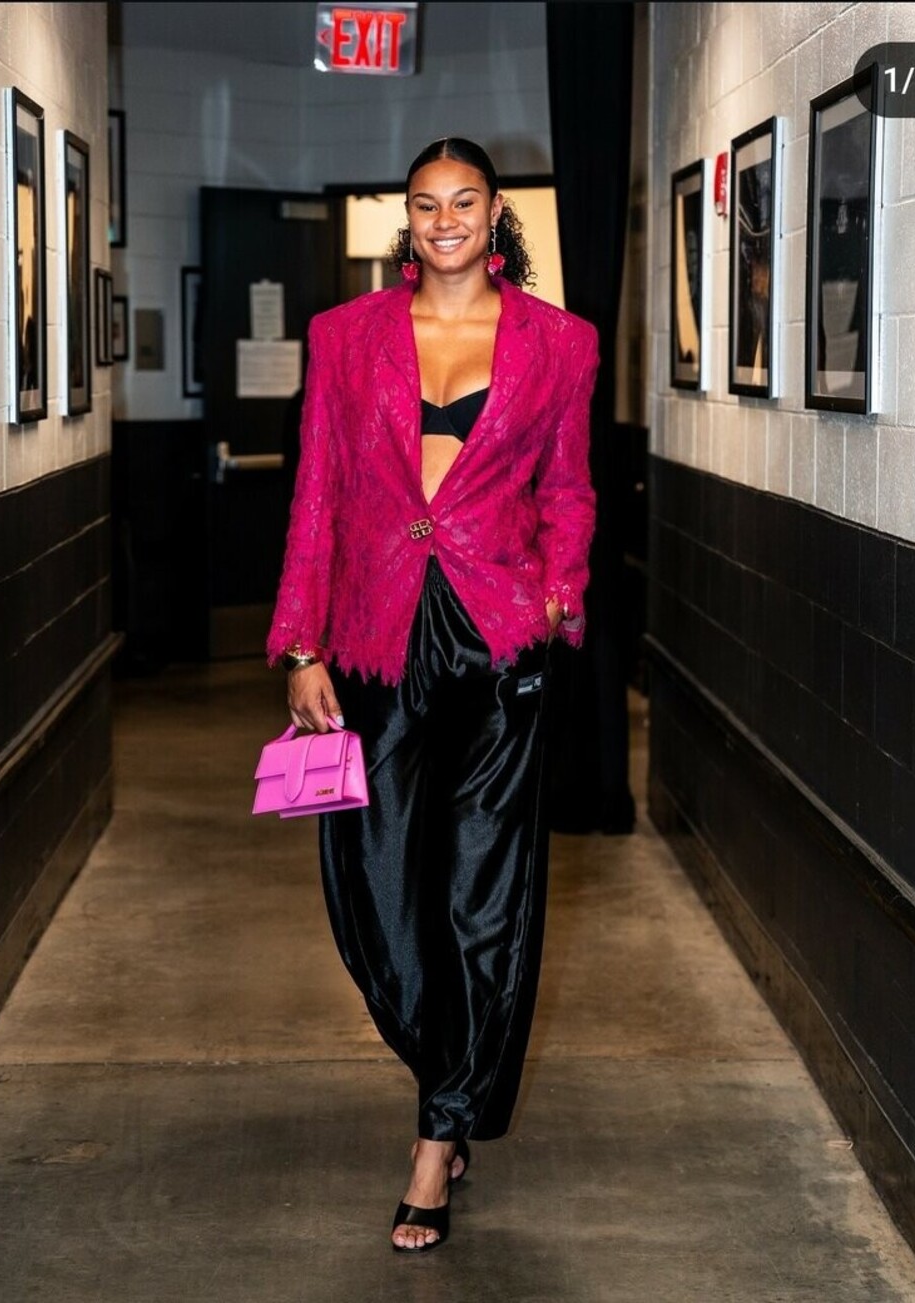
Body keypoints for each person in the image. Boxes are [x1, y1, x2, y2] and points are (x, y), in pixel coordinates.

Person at [267, 137, 598, 1252]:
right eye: (425, 204)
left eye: (464, 202)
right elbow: (317, 492)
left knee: (481, 891)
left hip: (499, 640)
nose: (445, 220)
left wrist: (556, 595)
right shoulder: (344, 335)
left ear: (495, 213)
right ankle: (450, 1067)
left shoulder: (560, 342)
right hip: (374, 635)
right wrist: (301, 642)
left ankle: (436, 1135)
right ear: (405, 220)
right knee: (374, 887)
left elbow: (570, 488)